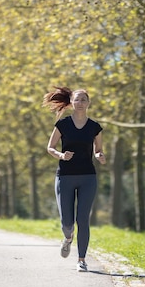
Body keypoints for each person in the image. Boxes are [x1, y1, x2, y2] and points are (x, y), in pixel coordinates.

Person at [43, 87, 106, 272]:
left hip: (88, 177)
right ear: (71, 102)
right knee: (67, 223)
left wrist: (100, 155)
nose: (80, 103)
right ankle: (68, 238)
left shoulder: (95, 127)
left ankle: (81, 259)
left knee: (83, 220)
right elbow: (50, 147)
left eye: (83, 100)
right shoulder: (63, 125)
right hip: (65, 177)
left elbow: (98, 149)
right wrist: (61, 156)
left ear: (88, 103)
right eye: (77, 100)